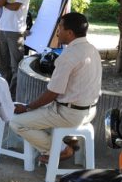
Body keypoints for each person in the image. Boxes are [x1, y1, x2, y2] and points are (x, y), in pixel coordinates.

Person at [9, 12, 102, 164]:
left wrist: (27, 108)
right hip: (89, 111)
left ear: (70, 33)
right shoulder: (92, 50)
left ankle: (59, 150)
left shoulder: (69, 55)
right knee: (38, 114)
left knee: (16, 122)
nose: (57, 31)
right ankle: (65, 142)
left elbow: (53, 93)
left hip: (69, 114)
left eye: (60, 28)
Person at [0, 0, 32, 98]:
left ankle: (13, 95)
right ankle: (5, 92)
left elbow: (16, 6)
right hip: (3, 29)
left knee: (16, 66)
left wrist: (5, 4)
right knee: (3, 65)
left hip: (16, 30)